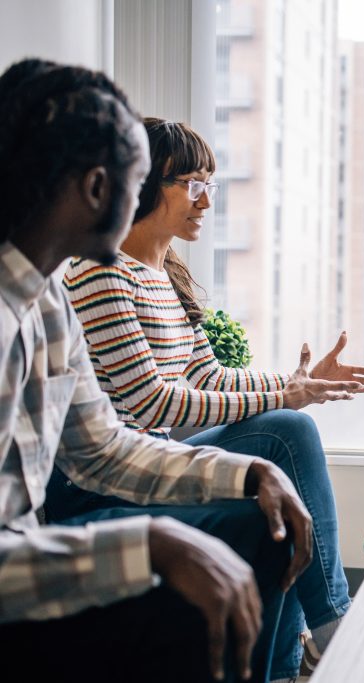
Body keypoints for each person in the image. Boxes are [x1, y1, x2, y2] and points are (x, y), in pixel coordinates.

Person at [0, 58, 314, 683]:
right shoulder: (76, 286)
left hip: (27, 553)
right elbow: (149, 406)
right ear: (97, 188)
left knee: (264, 520)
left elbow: (103, 450)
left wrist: (250, 471)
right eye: (139, 181)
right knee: (183, 587)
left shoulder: (49, 301)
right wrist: (147, 542)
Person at [48, 116, 364, 681]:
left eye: (211, 185)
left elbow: (205, 374)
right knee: (282, 443)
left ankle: (304, 652)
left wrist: (294, 386)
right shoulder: (100, 272)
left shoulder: (165, 270)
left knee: (287, 435)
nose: (206, 201)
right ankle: (330, 636)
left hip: (155, 464)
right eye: (193, 184)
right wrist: (289, 393)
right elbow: (153, 402)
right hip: (99, 485)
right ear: (147, 183)